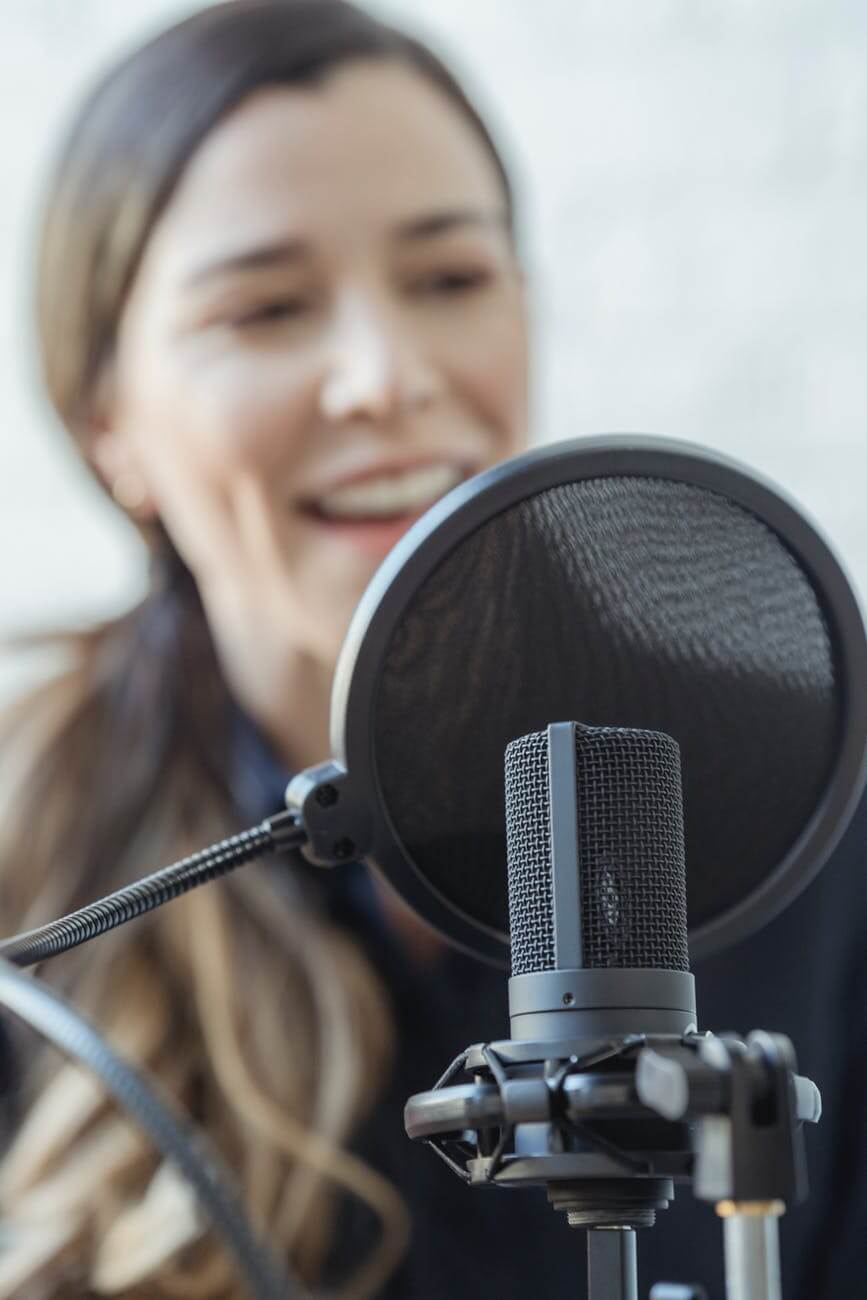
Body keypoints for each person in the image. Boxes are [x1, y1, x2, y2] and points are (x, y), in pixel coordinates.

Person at [0, 2, 865, 1298]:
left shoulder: (802, 793)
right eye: (267, 307)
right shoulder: (30, 870)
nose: (384, 376)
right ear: (109, 423)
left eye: (450, 280)